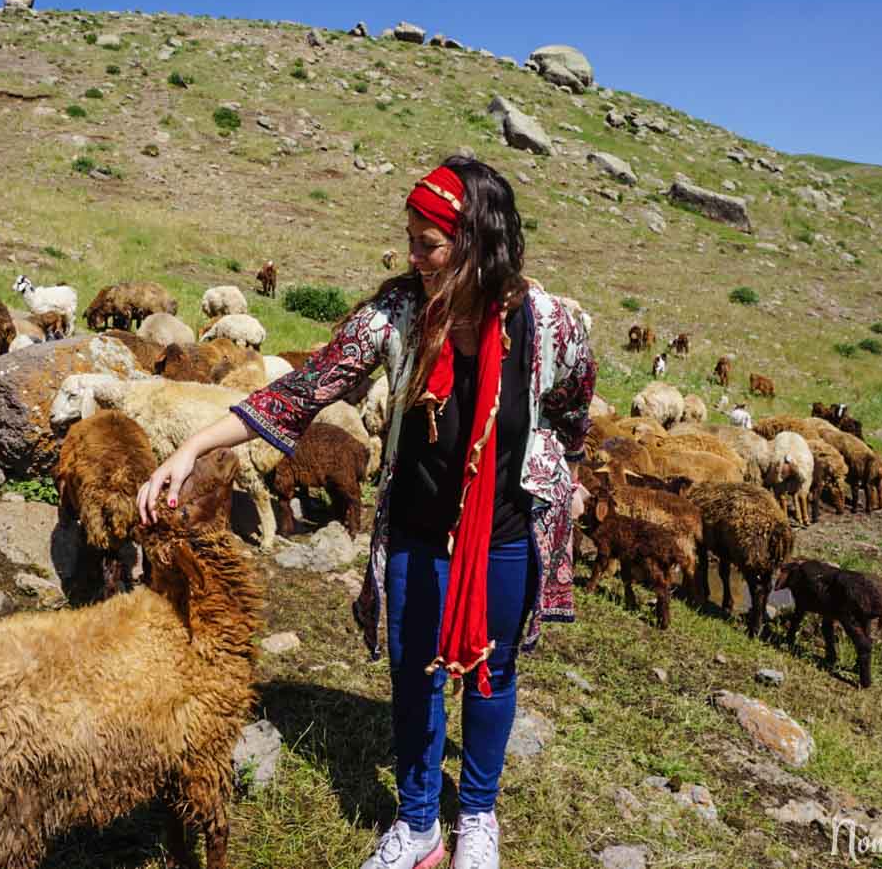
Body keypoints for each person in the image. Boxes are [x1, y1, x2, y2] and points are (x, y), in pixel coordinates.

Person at [138, 156, 597, 869]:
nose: (412, 257)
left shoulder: (552, 326)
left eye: (429, 244)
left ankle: (478, 815)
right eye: (409, 240)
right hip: (417, 530)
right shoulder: (399, 316)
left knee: (493, 671)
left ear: (479, 243)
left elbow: (572, 409)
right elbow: (303, 391)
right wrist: (193, 446)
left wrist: (557, 471)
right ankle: (418, 825)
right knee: (414, 673)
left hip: (503, 535)